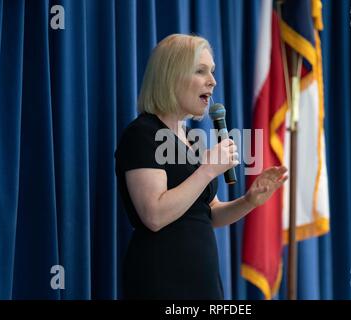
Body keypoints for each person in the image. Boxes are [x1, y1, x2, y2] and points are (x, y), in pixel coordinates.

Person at [115, 34, 287, 299]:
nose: (213, 81)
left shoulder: (189, 141)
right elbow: (154, 215)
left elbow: (209, 213)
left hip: (202, 283)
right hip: (161, 281)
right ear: (171, 76)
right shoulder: (142, 134)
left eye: (213, 72)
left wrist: (249, 201)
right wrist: (207, 169)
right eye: (200, 71)